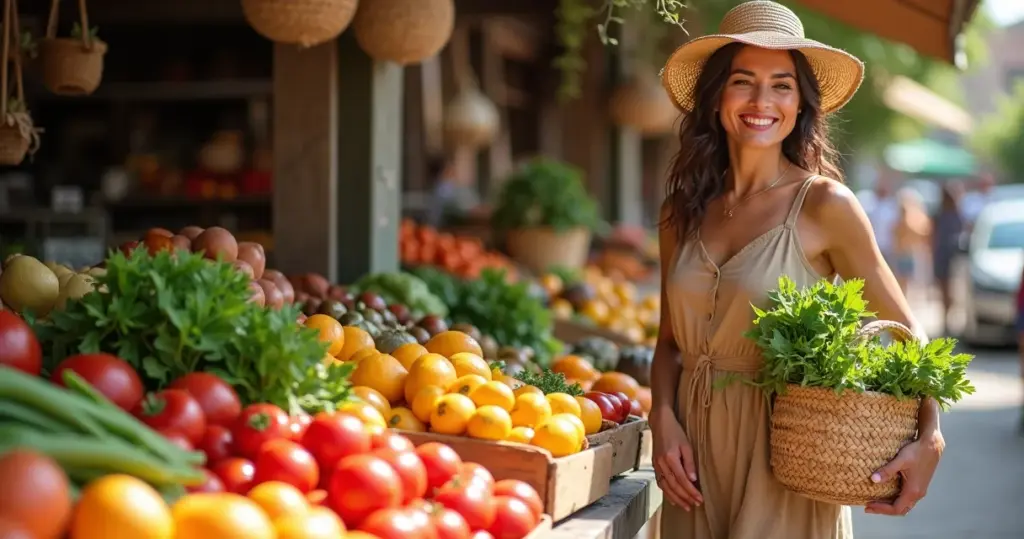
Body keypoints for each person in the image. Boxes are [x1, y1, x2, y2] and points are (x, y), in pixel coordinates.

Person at [652, 2, 944, 538]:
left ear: (800, 102)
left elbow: (908, 335)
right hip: (690, 464)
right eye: (743, 81)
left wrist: (930, 435)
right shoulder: (681, 211)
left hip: (785, 457)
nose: (762, 101)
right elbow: (669, 341)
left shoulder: (826, 206)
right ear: (717, 95)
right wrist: (661, 419)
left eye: (781, 85)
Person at [931, 184, 964, 336]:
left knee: (951, 290)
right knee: (945, 290)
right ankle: (946, 320)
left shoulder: (955, 214)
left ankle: (949, 320)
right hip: (945, 256)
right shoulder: (942, 215)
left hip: (952, 256)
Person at [891, 189, 932, 294]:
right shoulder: (902, 223)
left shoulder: (908, 221)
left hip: (907, 252)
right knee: (902, 279)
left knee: (905, 279)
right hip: (903, 253)